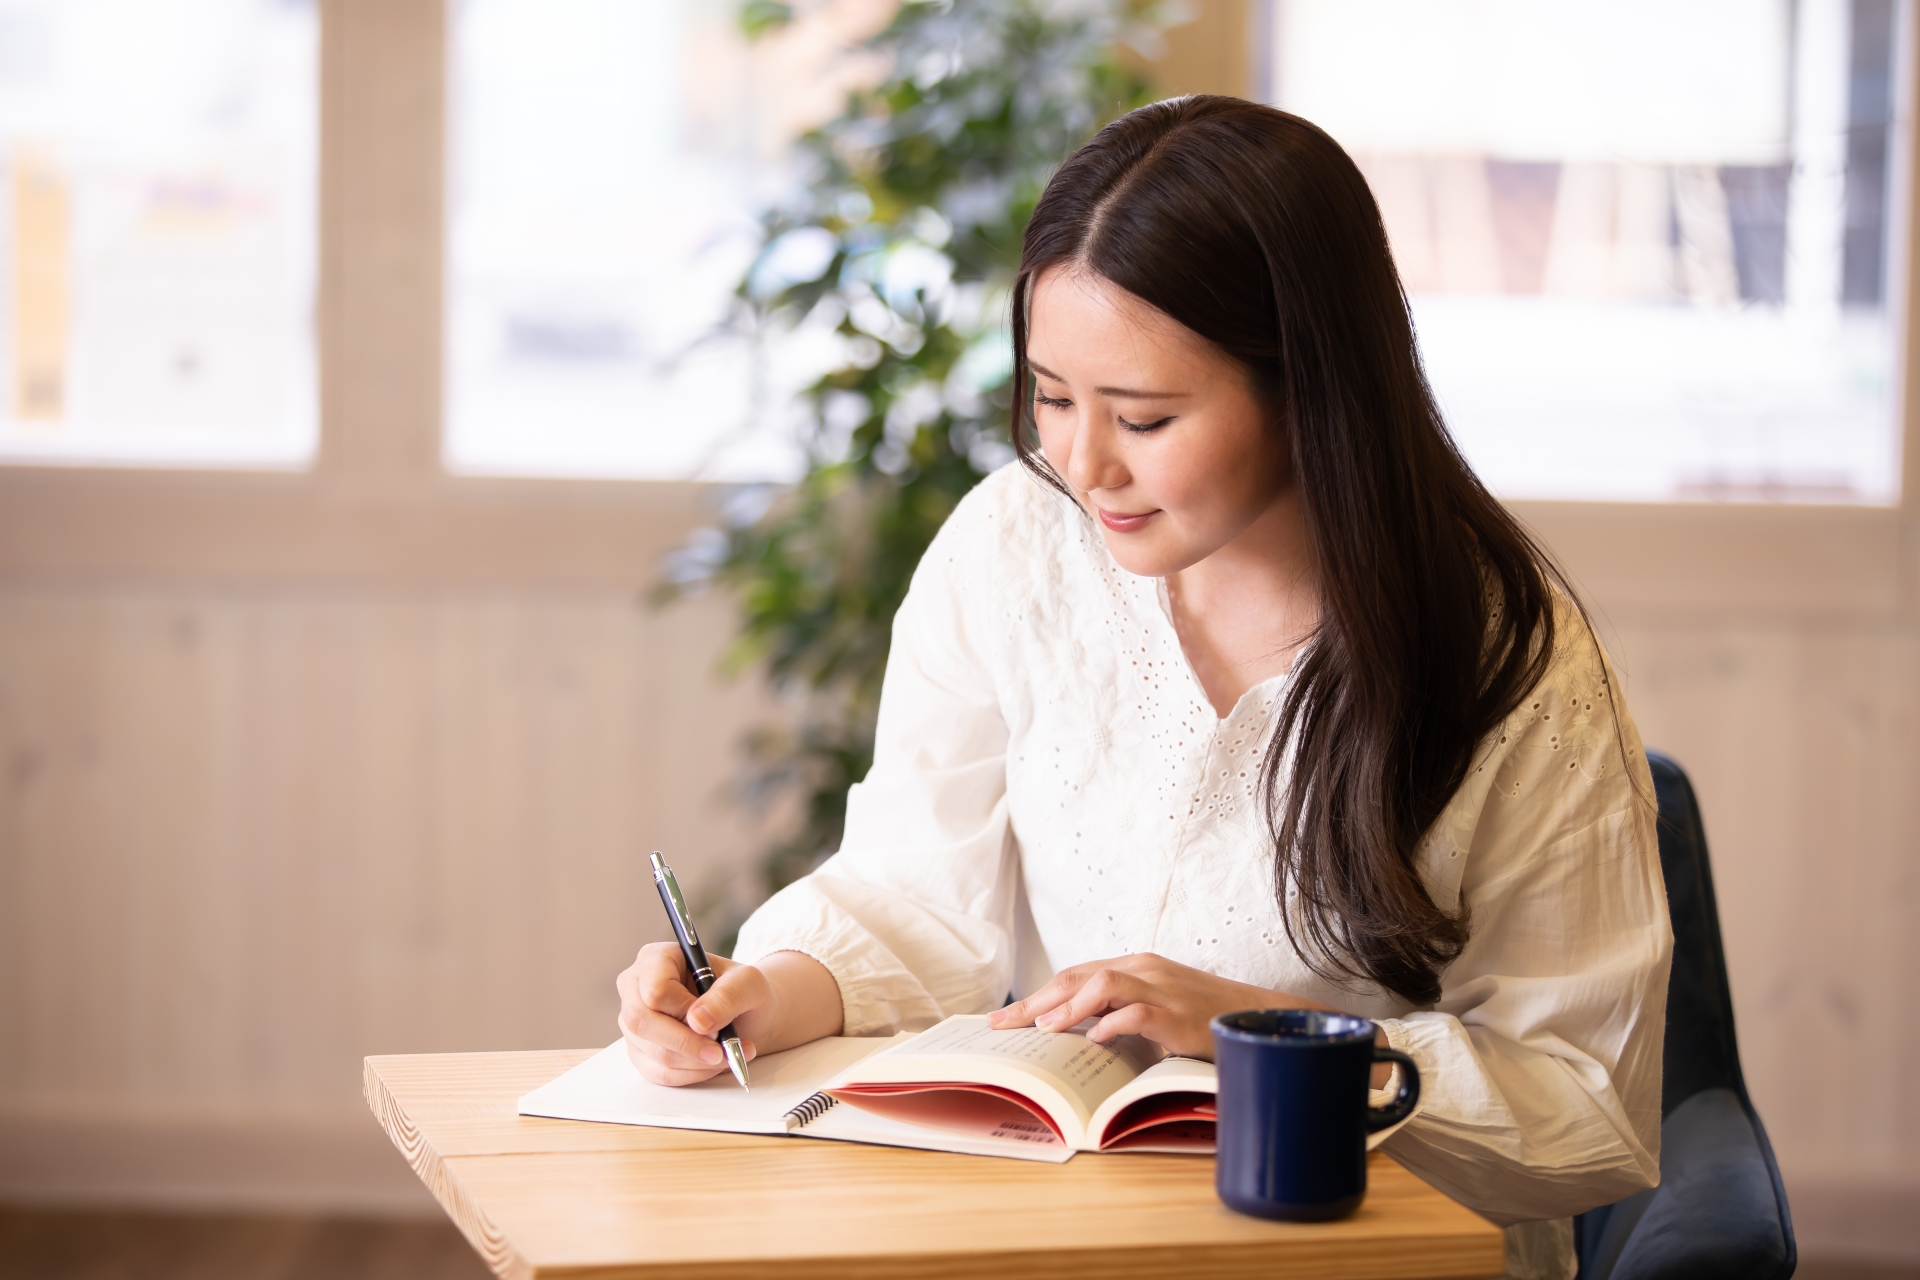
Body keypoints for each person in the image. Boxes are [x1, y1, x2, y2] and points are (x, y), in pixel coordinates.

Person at [616, 95, 1670, 1280]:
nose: (1081, 462)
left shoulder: (1506, 656)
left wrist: (1257, 1039)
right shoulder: (1013, 547)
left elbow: (1587, 1113)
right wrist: (758, 993)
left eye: (1146, 416)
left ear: (1308, 388)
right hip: (1069, 1235)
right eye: (1053, 397)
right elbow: (912, 897)